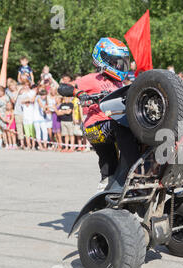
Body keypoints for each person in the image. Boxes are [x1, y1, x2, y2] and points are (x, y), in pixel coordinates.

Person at [59, 37, 140, 191]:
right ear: (104, 60)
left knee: (136, 127)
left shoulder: (119, 83)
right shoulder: (91, 79)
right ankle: (134, 170)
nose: (120, 66)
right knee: (120, 127)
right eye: (116, 62)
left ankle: (118, 175)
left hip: (114, 124)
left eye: (122, 62)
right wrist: (79, 93)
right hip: (94, 127)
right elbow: (62, 88)